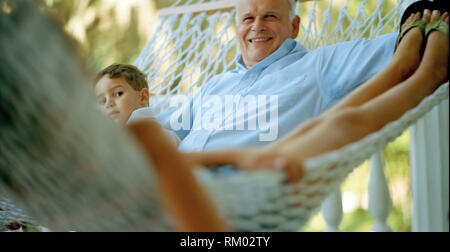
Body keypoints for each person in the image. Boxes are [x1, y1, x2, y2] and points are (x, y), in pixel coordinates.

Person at [148, 0, 399, 153]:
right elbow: (163, 127)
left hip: (231, 197)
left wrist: (422, 17)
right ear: (237, 29)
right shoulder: (217, 84)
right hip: (170, 189)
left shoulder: (318, 66)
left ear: (294, 26)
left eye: (270, 16)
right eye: (248, 18)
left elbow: (396, 47)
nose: (257, 26)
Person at [95, 63, 180, 145]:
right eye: (102, 101)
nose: (108, 103)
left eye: (118, 93)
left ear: (143, 97)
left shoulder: (151, 133)